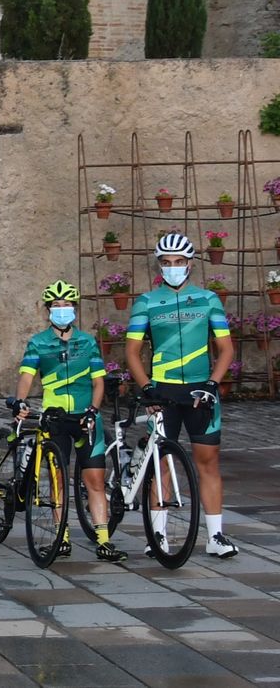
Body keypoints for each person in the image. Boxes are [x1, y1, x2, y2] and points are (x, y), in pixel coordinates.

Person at [125, 233, 238, 558]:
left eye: (178, 262)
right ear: (159, 265)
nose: (173, 267)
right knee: (161, 464)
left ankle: (215, 536)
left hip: (201, 390)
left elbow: (226, 348)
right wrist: (147, 387)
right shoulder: (146, 302)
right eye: (166, 262)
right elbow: (132, 352)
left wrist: (214, 383)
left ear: (189, 264)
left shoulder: (208, 300)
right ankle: (158, 536)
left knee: (208, 463)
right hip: (163, 390)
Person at [10, 281, 123, 563]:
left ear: (74, 309)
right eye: (56, 306)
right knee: (58, 479)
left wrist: (93, 409)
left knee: (95, 480)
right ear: (48, 311)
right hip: (56, 418)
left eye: (67, 305)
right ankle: (62, 539)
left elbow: (98, 383)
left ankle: (104, 541)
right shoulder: (38, 342)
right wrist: (21, 401)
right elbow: (27, 376)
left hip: (86, 417)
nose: (62, 310)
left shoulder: (87, 342)